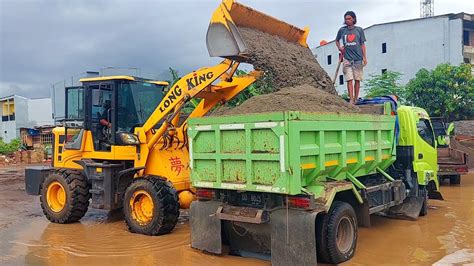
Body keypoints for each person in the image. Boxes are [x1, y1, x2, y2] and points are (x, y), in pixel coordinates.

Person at [335, 11, 367, 104]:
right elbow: (337, 41)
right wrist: (339, 47)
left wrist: (365, 57)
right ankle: (351, 99)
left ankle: (356, 98)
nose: (347, 20)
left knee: (357, 79)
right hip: (347, 59)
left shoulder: (359, 30)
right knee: (349, 79)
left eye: (349, 18)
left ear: (353, 19)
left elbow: (362, 44)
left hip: (358, 58)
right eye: (346, 19)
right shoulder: (342, 30)